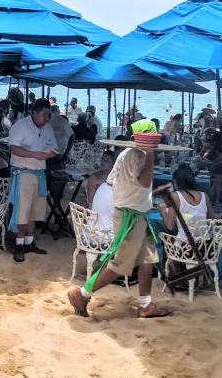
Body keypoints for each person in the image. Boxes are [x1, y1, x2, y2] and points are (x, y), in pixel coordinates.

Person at [67, 135, 172, 319]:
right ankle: (82, 293)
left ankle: (146, 304)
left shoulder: (124, 154)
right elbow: (145, 182)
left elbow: (110, 180)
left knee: (147, 259)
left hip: (134, 212)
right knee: (119, 265)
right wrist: (150, 154)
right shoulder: (141, 155)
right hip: (130, 215)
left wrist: (129, 190)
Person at [8, 98, 58, 262]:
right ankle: (19, 245)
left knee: (34, 212)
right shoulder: (20, 126)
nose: (46, 118)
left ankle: (30, 242)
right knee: (22, 212)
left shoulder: (48, 128)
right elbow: (14, 148)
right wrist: (35, 154)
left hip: (39, 172)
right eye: (44, 115)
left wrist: (50, 153)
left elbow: (54, 146)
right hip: (23, 172)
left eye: (48, 115)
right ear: (34, 113)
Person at [157, 164, 213, 242]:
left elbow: (170, 226)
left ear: (176, 182)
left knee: (158, 236)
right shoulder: (204, 196)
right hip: (205, 245)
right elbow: (212, 220)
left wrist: (162, 211)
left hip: (184, 247)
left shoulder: (175, 196)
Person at [88, 150, 117, 231]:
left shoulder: (117, 178)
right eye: (102, 159)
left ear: (113, 164)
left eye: (107, 160)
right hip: (98, 210)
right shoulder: (94, 177)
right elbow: (91, 200)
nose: (103, 161)